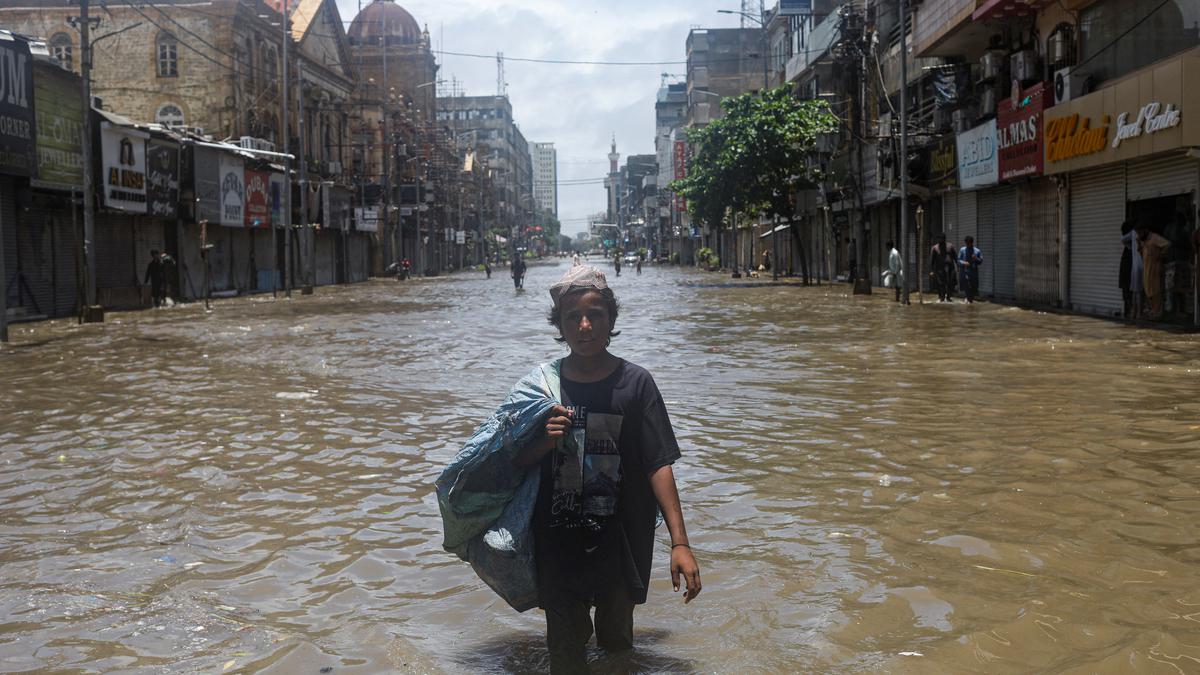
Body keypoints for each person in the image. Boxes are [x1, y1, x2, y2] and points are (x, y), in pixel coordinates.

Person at [527, 266, 699, 671]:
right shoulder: (542, 388)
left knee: (617, 644)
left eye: (595, 315)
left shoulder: (636, 384)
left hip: (620, 541)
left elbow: (658, 463)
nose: (585, 326)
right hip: (558, 542)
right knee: (565, 650)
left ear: (611, 320)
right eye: (573, 317)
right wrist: (542, 441)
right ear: (560, 326)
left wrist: (680, 543)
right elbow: (510, 464)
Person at [1138, 224, 1171, 319]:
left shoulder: (1154, 237)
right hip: (1147, 269)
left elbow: (1167, 244)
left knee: (1156, 291)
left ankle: (1157, 313)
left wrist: (1160, 255)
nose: (1139, 235)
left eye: (1140, 232)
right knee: (1149, 291)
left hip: (1155, 269)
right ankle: (1153, 311)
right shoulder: (1143, 240)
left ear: (1146, 230)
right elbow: (1142, 255)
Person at [1120, 221, 1141, 319]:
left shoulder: (1128, 249)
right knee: (1133, 290)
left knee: (1130, 291)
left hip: (1129, 273)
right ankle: (1134, 311)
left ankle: (1133, 311)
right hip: (1132, 272)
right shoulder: (1132, 245)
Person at [929, 234, 957, 302]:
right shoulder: (935, 248)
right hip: (939, 269)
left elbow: (955, 257)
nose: (941, 240)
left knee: (950, 282)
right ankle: (941, 297)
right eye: (940, 239)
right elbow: (932, 260)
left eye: (942, 238)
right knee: (941, 283)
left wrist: (958, 267)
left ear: (944, 239)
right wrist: (931, 270)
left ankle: (949, 297)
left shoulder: (950, 246)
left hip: (950, 268)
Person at [958, 236, 983, 303]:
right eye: (966, 243)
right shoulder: (962, 250)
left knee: (973, 289)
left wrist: (976, 258)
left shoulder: (977, 251)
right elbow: (958, 260)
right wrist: (964, 263)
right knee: (967, 286)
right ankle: (968, 300)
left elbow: (980, 261)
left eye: (969, 243)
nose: (967, 245)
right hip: (965, 272)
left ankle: (970, 300)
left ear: (972, 243)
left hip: (974, 273)